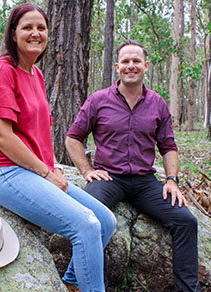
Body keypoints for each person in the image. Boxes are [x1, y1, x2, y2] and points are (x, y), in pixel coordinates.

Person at [0, 3, 116, 292]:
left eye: (41, 27)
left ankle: (73, 282)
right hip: (1, 171)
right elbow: (1, 136)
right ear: (13, 34)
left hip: (32, 170)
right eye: (27, 27)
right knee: (85, 225)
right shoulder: (1, 71)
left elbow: (36, 132)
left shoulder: (35, 74)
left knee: (104, 220)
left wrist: (52, 167)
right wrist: (46, 174)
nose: (35, 33)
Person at [65, 40, 200, 292]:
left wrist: (172, 180)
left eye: (136, 61)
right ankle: (74, 280)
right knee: (87, 216)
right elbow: (73, 138)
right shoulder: (98, 101)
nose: (131, 66)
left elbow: (168, 147)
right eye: (125, 61)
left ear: (146, 66)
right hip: (109, 178)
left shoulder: (157, 103)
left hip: (145, 182)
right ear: (117, 67)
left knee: (186, 221)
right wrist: (86, 170)